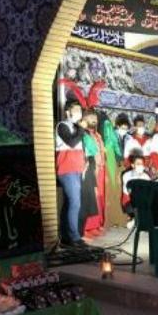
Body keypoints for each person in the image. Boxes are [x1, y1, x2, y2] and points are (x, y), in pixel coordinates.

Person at [55, 101, 86, 247]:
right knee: (75, 202)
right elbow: (72, 143)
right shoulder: (62, 126)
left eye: (80, 110)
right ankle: (74, 237)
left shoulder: (77, 127)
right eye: (76, 110)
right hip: (66, 169)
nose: (79, 113)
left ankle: (65, 236)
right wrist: (81, 129)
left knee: (69, 203)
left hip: (77, 169)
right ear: (68, 112)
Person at [79, 109, 107, 238]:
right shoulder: (83, 134)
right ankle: (86, 227)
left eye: (95, 117)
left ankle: (96, 225)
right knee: (90, 198)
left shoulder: (97, 135)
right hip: (89, 169)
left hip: (100, 169)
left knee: (98, 198)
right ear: (83, 119)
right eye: (90, 117)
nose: (94, 119)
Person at [121, 155, 151, 228]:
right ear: (133, 165)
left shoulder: (146, 177)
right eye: (138, 164)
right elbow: (129, 192)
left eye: (142, 164)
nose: (140, 166)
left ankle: (136, 221)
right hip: (129, 202)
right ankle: (136, 219)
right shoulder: (126, 175)